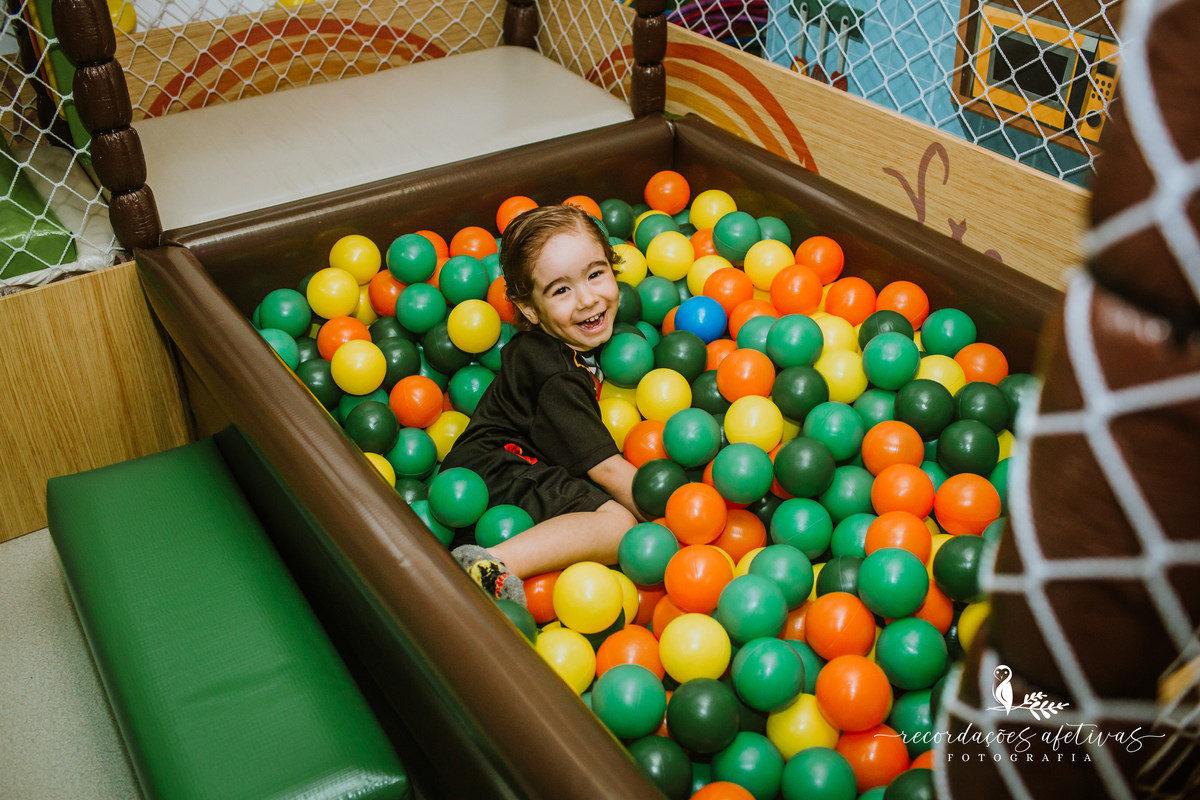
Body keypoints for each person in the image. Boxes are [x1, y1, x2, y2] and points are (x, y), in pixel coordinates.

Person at [441, 204, 646, 605]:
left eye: (596, 274)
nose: (587, 299)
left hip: (490, 472)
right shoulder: (555, 373)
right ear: (530, 309)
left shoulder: (561, 346)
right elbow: (607, 469)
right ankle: (485, 567)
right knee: (619, 525)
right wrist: (678, 519)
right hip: (498, 471)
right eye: (561, 290)